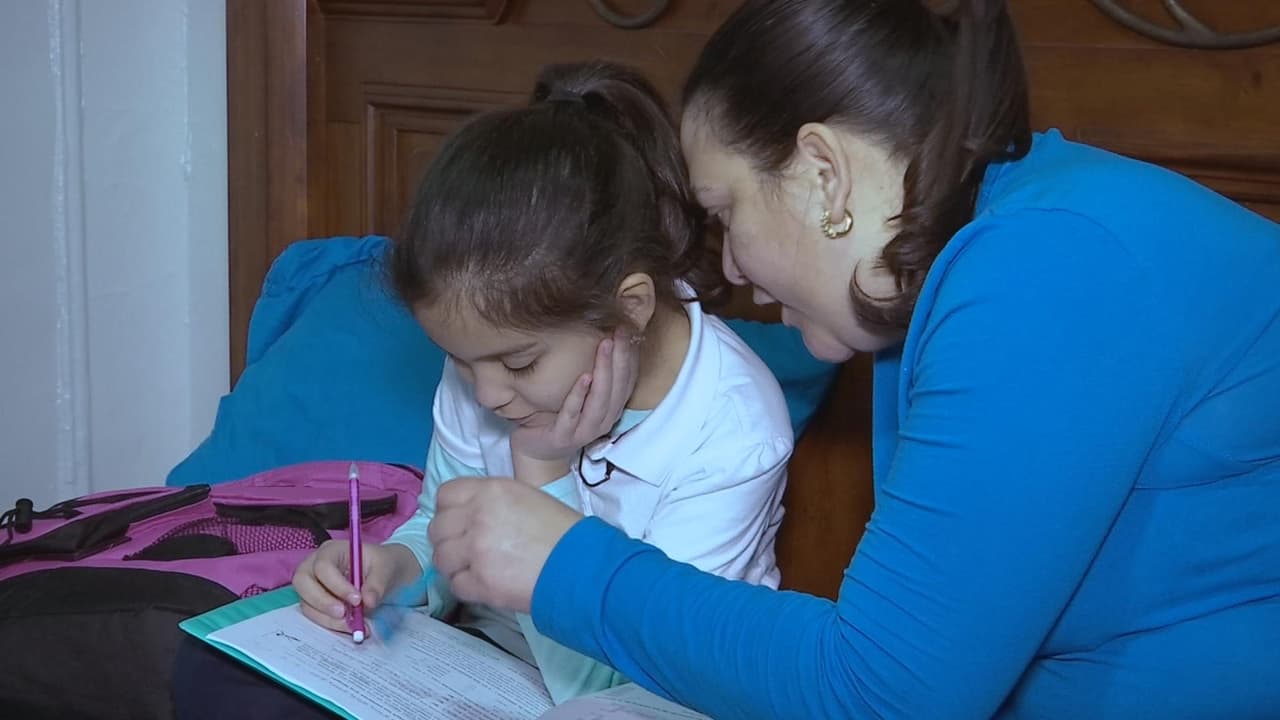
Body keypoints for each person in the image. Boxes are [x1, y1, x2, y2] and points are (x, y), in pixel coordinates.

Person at [425, 1, 1280, 718]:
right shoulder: (971, 269)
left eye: (725, 213)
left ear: (822, 174)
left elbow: (884, 692)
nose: (731, 268)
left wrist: (569, 565)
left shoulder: (1040, 268)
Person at [171, 60, 794, 717]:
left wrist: (544, 475)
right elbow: (441, 531)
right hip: (492, 663)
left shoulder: (731, 431)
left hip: (648, 691)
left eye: (519, 364)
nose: (488, 393)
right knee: (218, 673)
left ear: (631, 308)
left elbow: (602, 685)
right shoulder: (487, 358)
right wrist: (394, 571)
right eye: (461, 362)